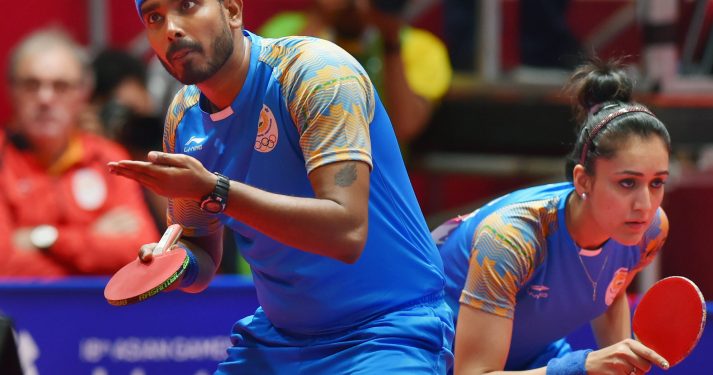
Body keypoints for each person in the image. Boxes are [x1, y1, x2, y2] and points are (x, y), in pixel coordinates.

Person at [109, 0, 454, 373]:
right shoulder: (183, 117)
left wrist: (217, 191)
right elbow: (202, 254)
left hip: (386, 332)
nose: (171, 28)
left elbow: (347, 233)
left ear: (232, 9)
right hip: (278, 341)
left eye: (188, 6)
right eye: (155, 18)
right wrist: (173, 265)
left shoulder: (317, 75)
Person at [434, 59, 673, 374]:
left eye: (656, 183)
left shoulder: (650, 230)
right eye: (627, 183)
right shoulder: (511, 238)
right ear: (582, 181)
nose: (645, 204)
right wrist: (581, 368)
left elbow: (610, 289)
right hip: (426, 354)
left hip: (529, 356)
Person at [0, 29, 160, 276]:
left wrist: (44, 238)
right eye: (31, 85)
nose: (45, 98)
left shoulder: (109, 157)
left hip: (101, 313)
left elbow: (141, 250)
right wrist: (94, 240)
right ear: (12, 90)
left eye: (60, 86)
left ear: (83, 94)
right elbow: (6, 263)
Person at [259, 0, 452, 144]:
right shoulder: (285, 30)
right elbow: (264, 106)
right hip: (292, 169)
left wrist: (391, 41)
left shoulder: (421, 48)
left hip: (376, 178)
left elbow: (405, 126)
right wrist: (321, 19)